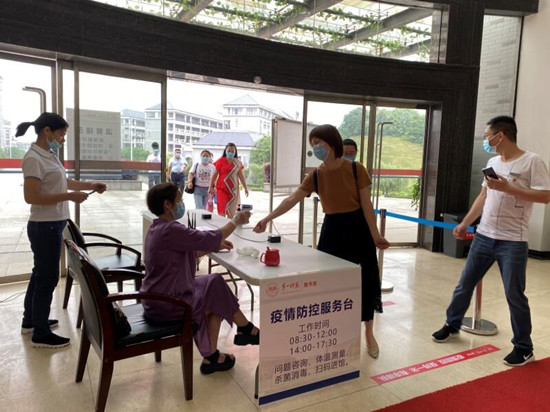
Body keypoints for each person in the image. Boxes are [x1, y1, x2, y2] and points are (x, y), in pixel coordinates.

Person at [253, 124, 390, 358]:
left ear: (332, 142)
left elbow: (367, 205)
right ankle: (338, 332)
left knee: (365, 282)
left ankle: (368, 332)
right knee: (332, 283)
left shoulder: (356, 168)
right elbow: (292, 199)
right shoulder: (316, 175)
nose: (315, 147)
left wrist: (375, 234)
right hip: (332, 230)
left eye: (318, 142)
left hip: (357, 228)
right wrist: (267, 218)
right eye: (312, 144)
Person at [432, 116, 550, 367]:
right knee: (465, 284)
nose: (486, 140)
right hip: (484, 235)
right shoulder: (493, 162)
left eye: (487, 136)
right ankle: (452, 324)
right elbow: (483, 196)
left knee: (514, 294)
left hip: (513, 240)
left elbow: (545, 197)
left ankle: (524, 348)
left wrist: (510, 189)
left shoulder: (532, 161)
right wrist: (465, 223)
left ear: (500, 136)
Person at [142, 183, 260, 374]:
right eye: (179, 201)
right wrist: (236, 220)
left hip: (157, 297)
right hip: (169, 303)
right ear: (167, 204)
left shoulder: (157, 228)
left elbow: (183, 252)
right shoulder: (172, 229)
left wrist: (214, 246)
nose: (182, 204)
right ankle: (241, 332)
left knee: (214, 282)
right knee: (216, 295)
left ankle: (219, 351)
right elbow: (211, 236)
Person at [19, 112, 107, 348]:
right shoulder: (33, 158)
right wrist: (69, 197)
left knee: (40, 274)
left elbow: (64, 182)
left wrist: (90, 185)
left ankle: (31, 320)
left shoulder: (49, 155)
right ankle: (40, 333)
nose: (63, 139)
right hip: (43, 226)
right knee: (47, 278)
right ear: (47, 131)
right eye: (61, 134)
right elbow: (31, 196)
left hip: (53, 223)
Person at [209, 143, 249, 218]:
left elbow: (241, 176)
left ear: (235, 152)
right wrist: (210, 187)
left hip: (233, 190)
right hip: (221, 189)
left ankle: (229, 224)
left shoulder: (238, 163)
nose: (230, 153)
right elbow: (214, 175)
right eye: (228, 151)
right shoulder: (220, 161)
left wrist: (245, 188)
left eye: (232, 151)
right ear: (225, 151)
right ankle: (222, 224)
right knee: (222, 209)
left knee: (231, 211)